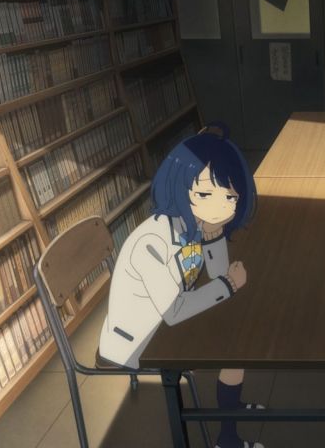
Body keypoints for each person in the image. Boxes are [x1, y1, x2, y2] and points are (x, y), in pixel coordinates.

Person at [97, 124, 264, 448]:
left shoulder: (193, 223)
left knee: (237, 331)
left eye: (229, 197)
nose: (220, 207)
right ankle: (227, 439)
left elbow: (216, 274)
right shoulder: (151, 242)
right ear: (178, 184)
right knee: (234, 346)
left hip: (163, 318)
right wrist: (229, 285)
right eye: (205, 194)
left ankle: (230, 405)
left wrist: (215, 239)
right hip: (139, 341)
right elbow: (175, 311)